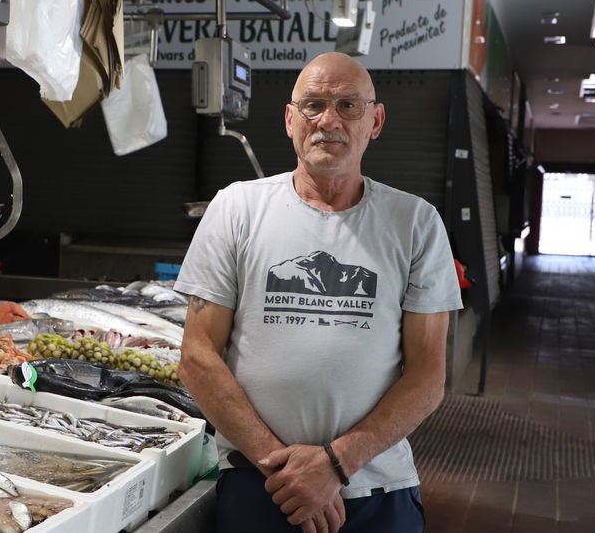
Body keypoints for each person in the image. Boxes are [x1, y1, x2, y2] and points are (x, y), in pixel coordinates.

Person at [175, 51, 462, 533]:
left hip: (376, 487)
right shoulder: (236, 207)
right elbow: (197, 356)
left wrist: (336, 464)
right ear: (290, 119)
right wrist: (287, 470)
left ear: (376, 120)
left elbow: (428, 376)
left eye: (349, 106)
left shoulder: (415, 222)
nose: (328, 120)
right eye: (313, 105)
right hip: (261, 482)